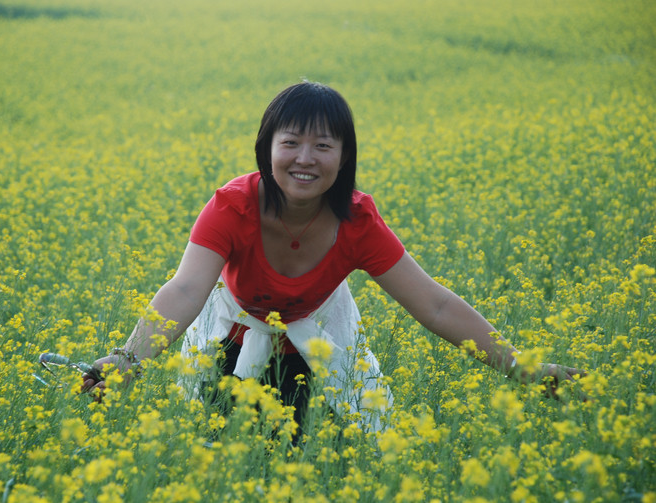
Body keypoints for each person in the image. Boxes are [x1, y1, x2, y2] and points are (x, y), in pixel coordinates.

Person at [82, 81, 583, 434]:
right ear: (267, 149)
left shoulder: (357, 221)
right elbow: (187, 290)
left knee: (291, 448)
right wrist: (128, 361)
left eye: (323, 145)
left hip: (314, 341)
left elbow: (434, 306)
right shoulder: (232, 206)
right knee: (213, 437)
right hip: (232, 329)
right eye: (291, 142)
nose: (305, 158)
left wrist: (522, 366)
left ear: (344, 158)